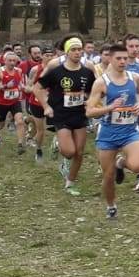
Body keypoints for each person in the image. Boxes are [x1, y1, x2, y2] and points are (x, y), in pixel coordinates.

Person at [87, 42, 139, 219]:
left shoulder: (134, 77)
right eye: (119, 58)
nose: (123, 61)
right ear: (110, 59)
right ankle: (111, 205)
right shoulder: (102, 83)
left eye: (125, 58)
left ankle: (121, 164)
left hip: (130, 131)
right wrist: (109, 108)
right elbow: (90, 111)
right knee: (108, 177)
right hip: (108, 133)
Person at [33, 37, 97, 196]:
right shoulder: (57, 71)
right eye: (73, 50)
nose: (77, 52)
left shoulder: (87, 72)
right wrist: (46, 106)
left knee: (79, 152)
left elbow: (93, 91)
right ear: (67, 52)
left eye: (79, 49)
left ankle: (70, 181)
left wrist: (90, 101)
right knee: (69, 152)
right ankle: (58, 145)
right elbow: (37, 88)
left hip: (80, 115)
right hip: (61, 115)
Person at [0, 51, 29, 154]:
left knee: (19, 121)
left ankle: (20, 144)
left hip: (15, 101)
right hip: (2, 103)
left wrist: (22, 86)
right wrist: (5, 86)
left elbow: (19, 82)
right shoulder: (0, 72)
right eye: (10, 60)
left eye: (14, 60)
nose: (12, 62)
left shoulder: (19, 71)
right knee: (0, 124)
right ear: (4, 61)